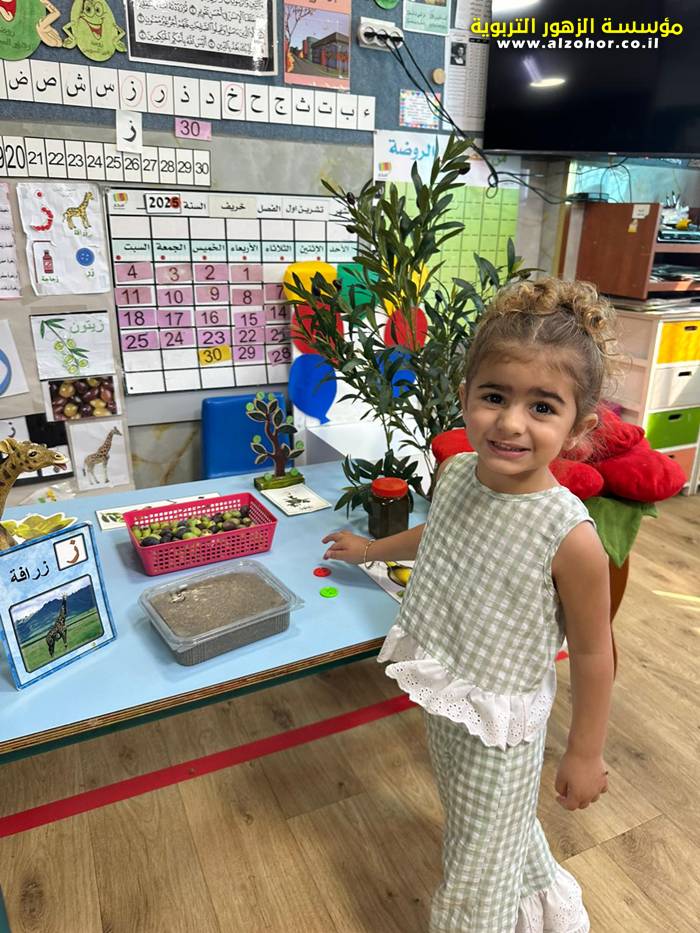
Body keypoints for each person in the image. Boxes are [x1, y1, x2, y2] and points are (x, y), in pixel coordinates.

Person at [322, 277, 618, 932]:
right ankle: (544, 908)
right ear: (465, 397)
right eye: (494, 396)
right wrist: (371, 549)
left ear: (578, 427)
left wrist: (584, 751)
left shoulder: (569, 536)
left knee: (473, 868)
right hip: (448, 684)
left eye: (542, 406)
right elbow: (443, 533)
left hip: (503, 721)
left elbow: (595, 652)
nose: (510, 422)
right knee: (483, 824)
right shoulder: (457, 473)